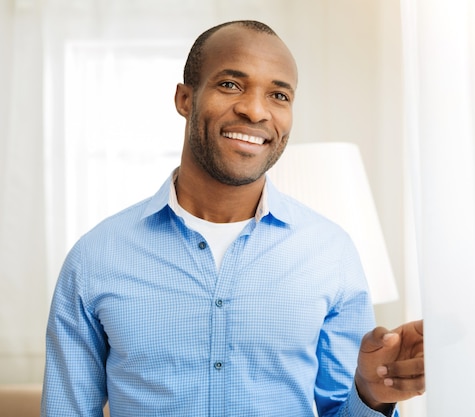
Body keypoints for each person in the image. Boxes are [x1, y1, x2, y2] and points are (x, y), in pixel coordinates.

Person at [42, 20, 425, 417]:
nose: (255, 110)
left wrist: (371, 395)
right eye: (230, 85)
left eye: (278, 94)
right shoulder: (95, 258)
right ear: (185, 99)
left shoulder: (331, 253)